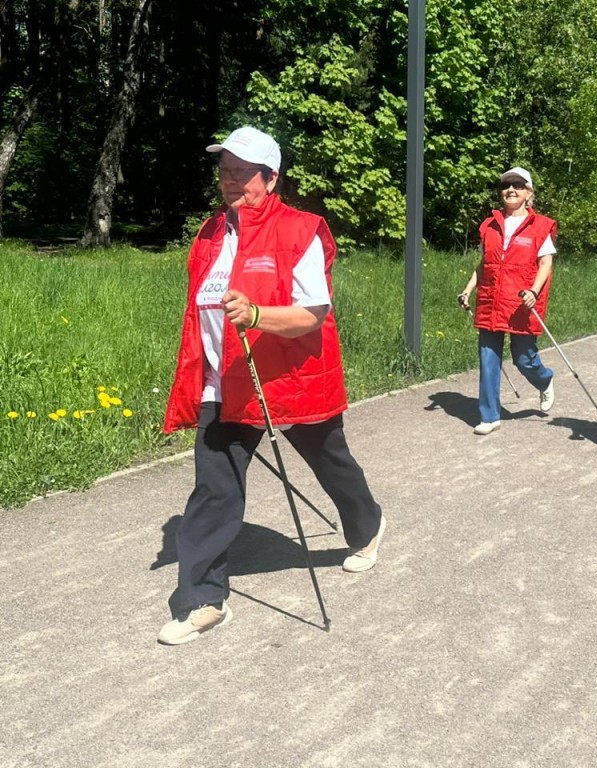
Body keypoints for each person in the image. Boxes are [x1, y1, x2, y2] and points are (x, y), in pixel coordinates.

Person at [159, 126, 385, 645]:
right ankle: (203, 600)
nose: (232, 182)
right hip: (226, 382)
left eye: (243, 173)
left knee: (331, 461)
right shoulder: (210, 233)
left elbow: (313, 313)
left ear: (271, 177)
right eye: (225, 172)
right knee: (214, 490)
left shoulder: (300, 230)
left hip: (290, 378)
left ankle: (367, 525)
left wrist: (258, 313)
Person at [458, 167, 557, 435]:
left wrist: (534, 291)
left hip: (520, 303)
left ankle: (545, 380)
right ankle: (489, 415)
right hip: (491, 300)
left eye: (517, 185)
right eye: (506, 185)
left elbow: (546, 262)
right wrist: (467, 290)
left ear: (528, 192)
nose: (510, 190)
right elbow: (484, 264)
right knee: (488, 358)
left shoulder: (540, 226)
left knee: (524, 359)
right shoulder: (490, 225)